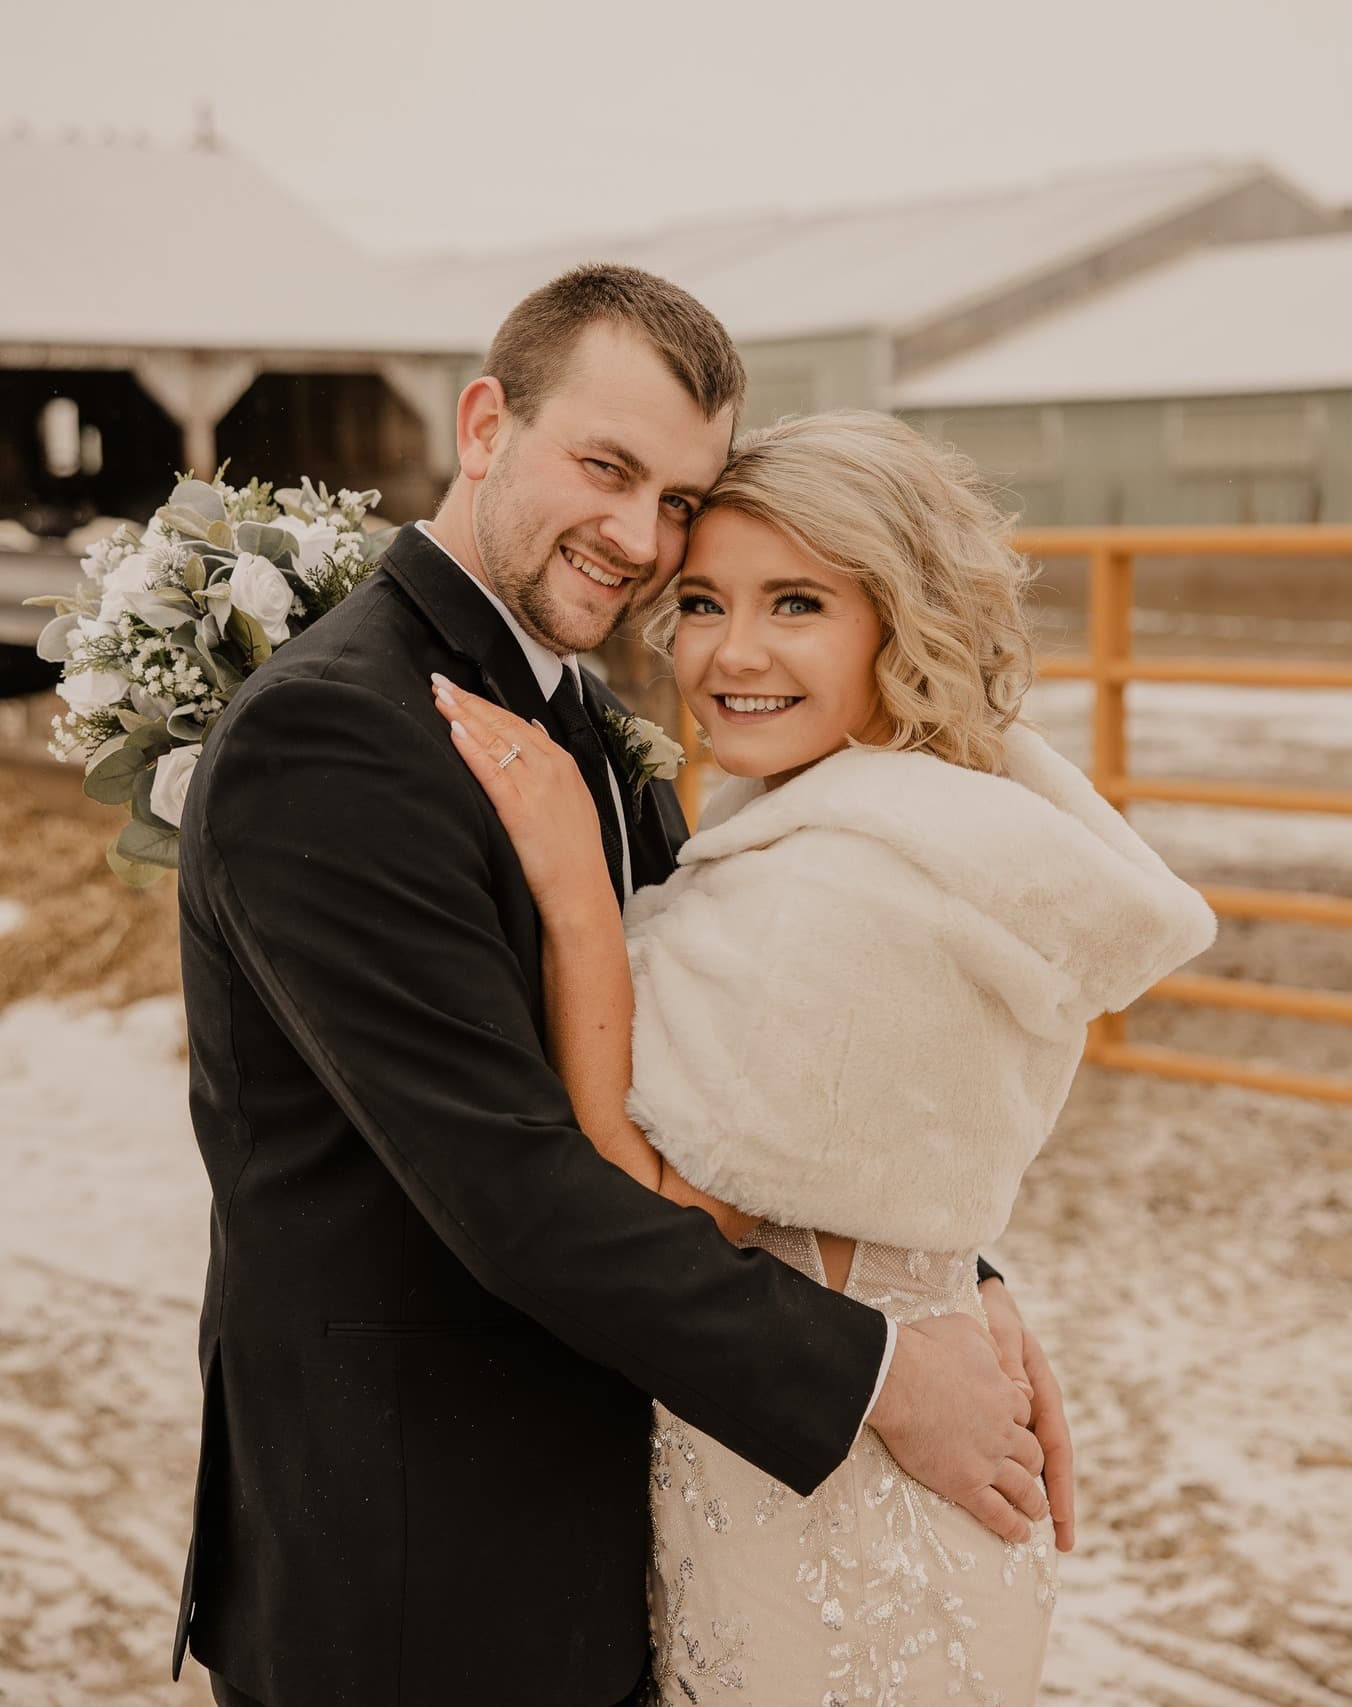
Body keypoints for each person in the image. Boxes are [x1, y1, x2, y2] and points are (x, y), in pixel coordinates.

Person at [174, 266, 1068, 1707]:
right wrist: (881, 1377)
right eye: (605, 467)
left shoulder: (577, 708)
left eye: (674, 498)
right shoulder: (336, 740)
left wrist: (946, 1289)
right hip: (423, 1565)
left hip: (600, 1532)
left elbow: (719, 1081)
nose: (639, 536)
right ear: (482, 425)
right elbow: (510, 1189)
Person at [430, 408, 1217, 1704]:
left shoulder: (845, 893)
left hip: (839, 1497)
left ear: (895, 625)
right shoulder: (904, 822)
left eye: (795, 603)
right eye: (698, 602)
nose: (729, 653)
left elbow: (656, 1199)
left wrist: (576, 896)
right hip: (836, 1438)